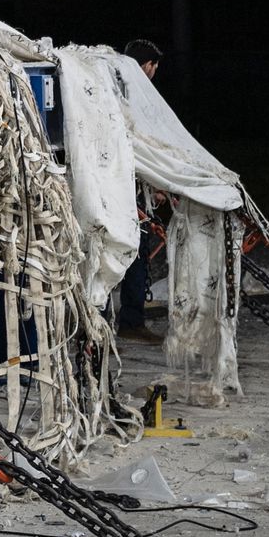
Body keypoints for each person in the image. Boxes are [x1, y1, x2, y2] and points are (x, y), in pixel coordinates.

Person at [117, 39, 163, 337]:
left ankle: (109, 320)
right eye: (154, 66)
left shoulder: (114, 93)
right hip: (131, 192)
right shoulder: (139, 99)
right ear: (147, 66)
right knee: (136, 255)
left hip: (121, 187)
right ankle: (131, 321)